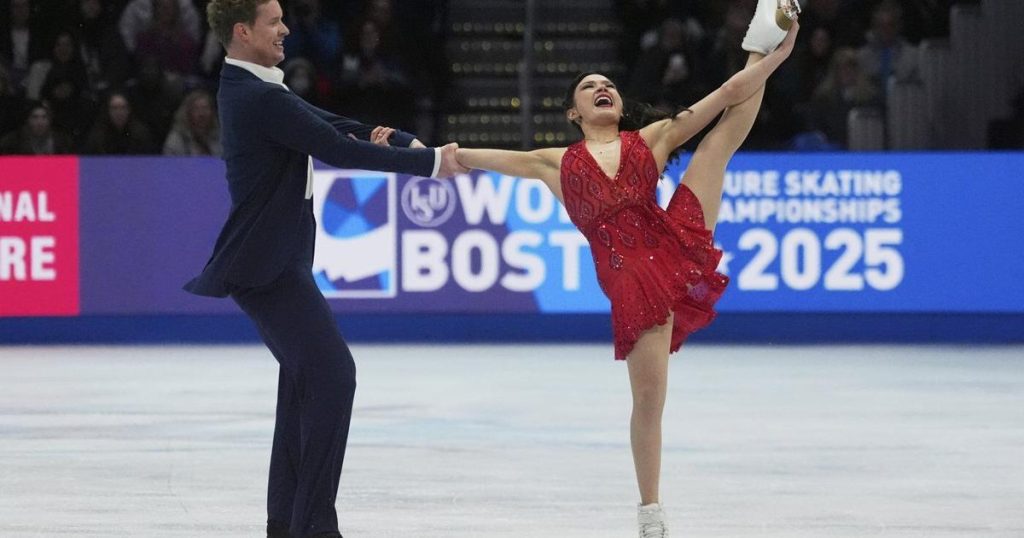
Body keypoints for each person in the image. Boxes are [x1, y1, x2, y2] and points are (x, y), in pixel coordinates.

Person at [454, 1, 799, 536]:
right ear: (574, 112)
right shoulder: (553, 162)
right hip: (632, 281)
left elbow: (730, 93)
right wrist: (414, 150)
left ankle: (761, 33)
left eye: (608, 83)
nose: (602, 87)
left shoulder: (652, 139)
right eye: (589, 86)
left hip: (672, 240)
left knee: (717, 145)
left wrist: (778, 53)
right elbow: (466, 156)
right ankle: (650, 510)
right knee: (649, 400)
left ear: (617, 103)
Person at [184, 1, 466, 537]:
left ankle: (286, 522)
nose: (286, 29)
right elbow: (336, 147)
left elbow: (329, 124)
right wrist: (429, 164)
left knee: (304, 384)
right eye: (273, 22)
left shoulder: (256, 87)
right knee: (334, 378)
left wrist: (398, 137)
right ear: (243, 31)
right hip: (269, 268)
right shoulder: (257, 95)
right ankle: (313, 525)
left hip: (274, 262)